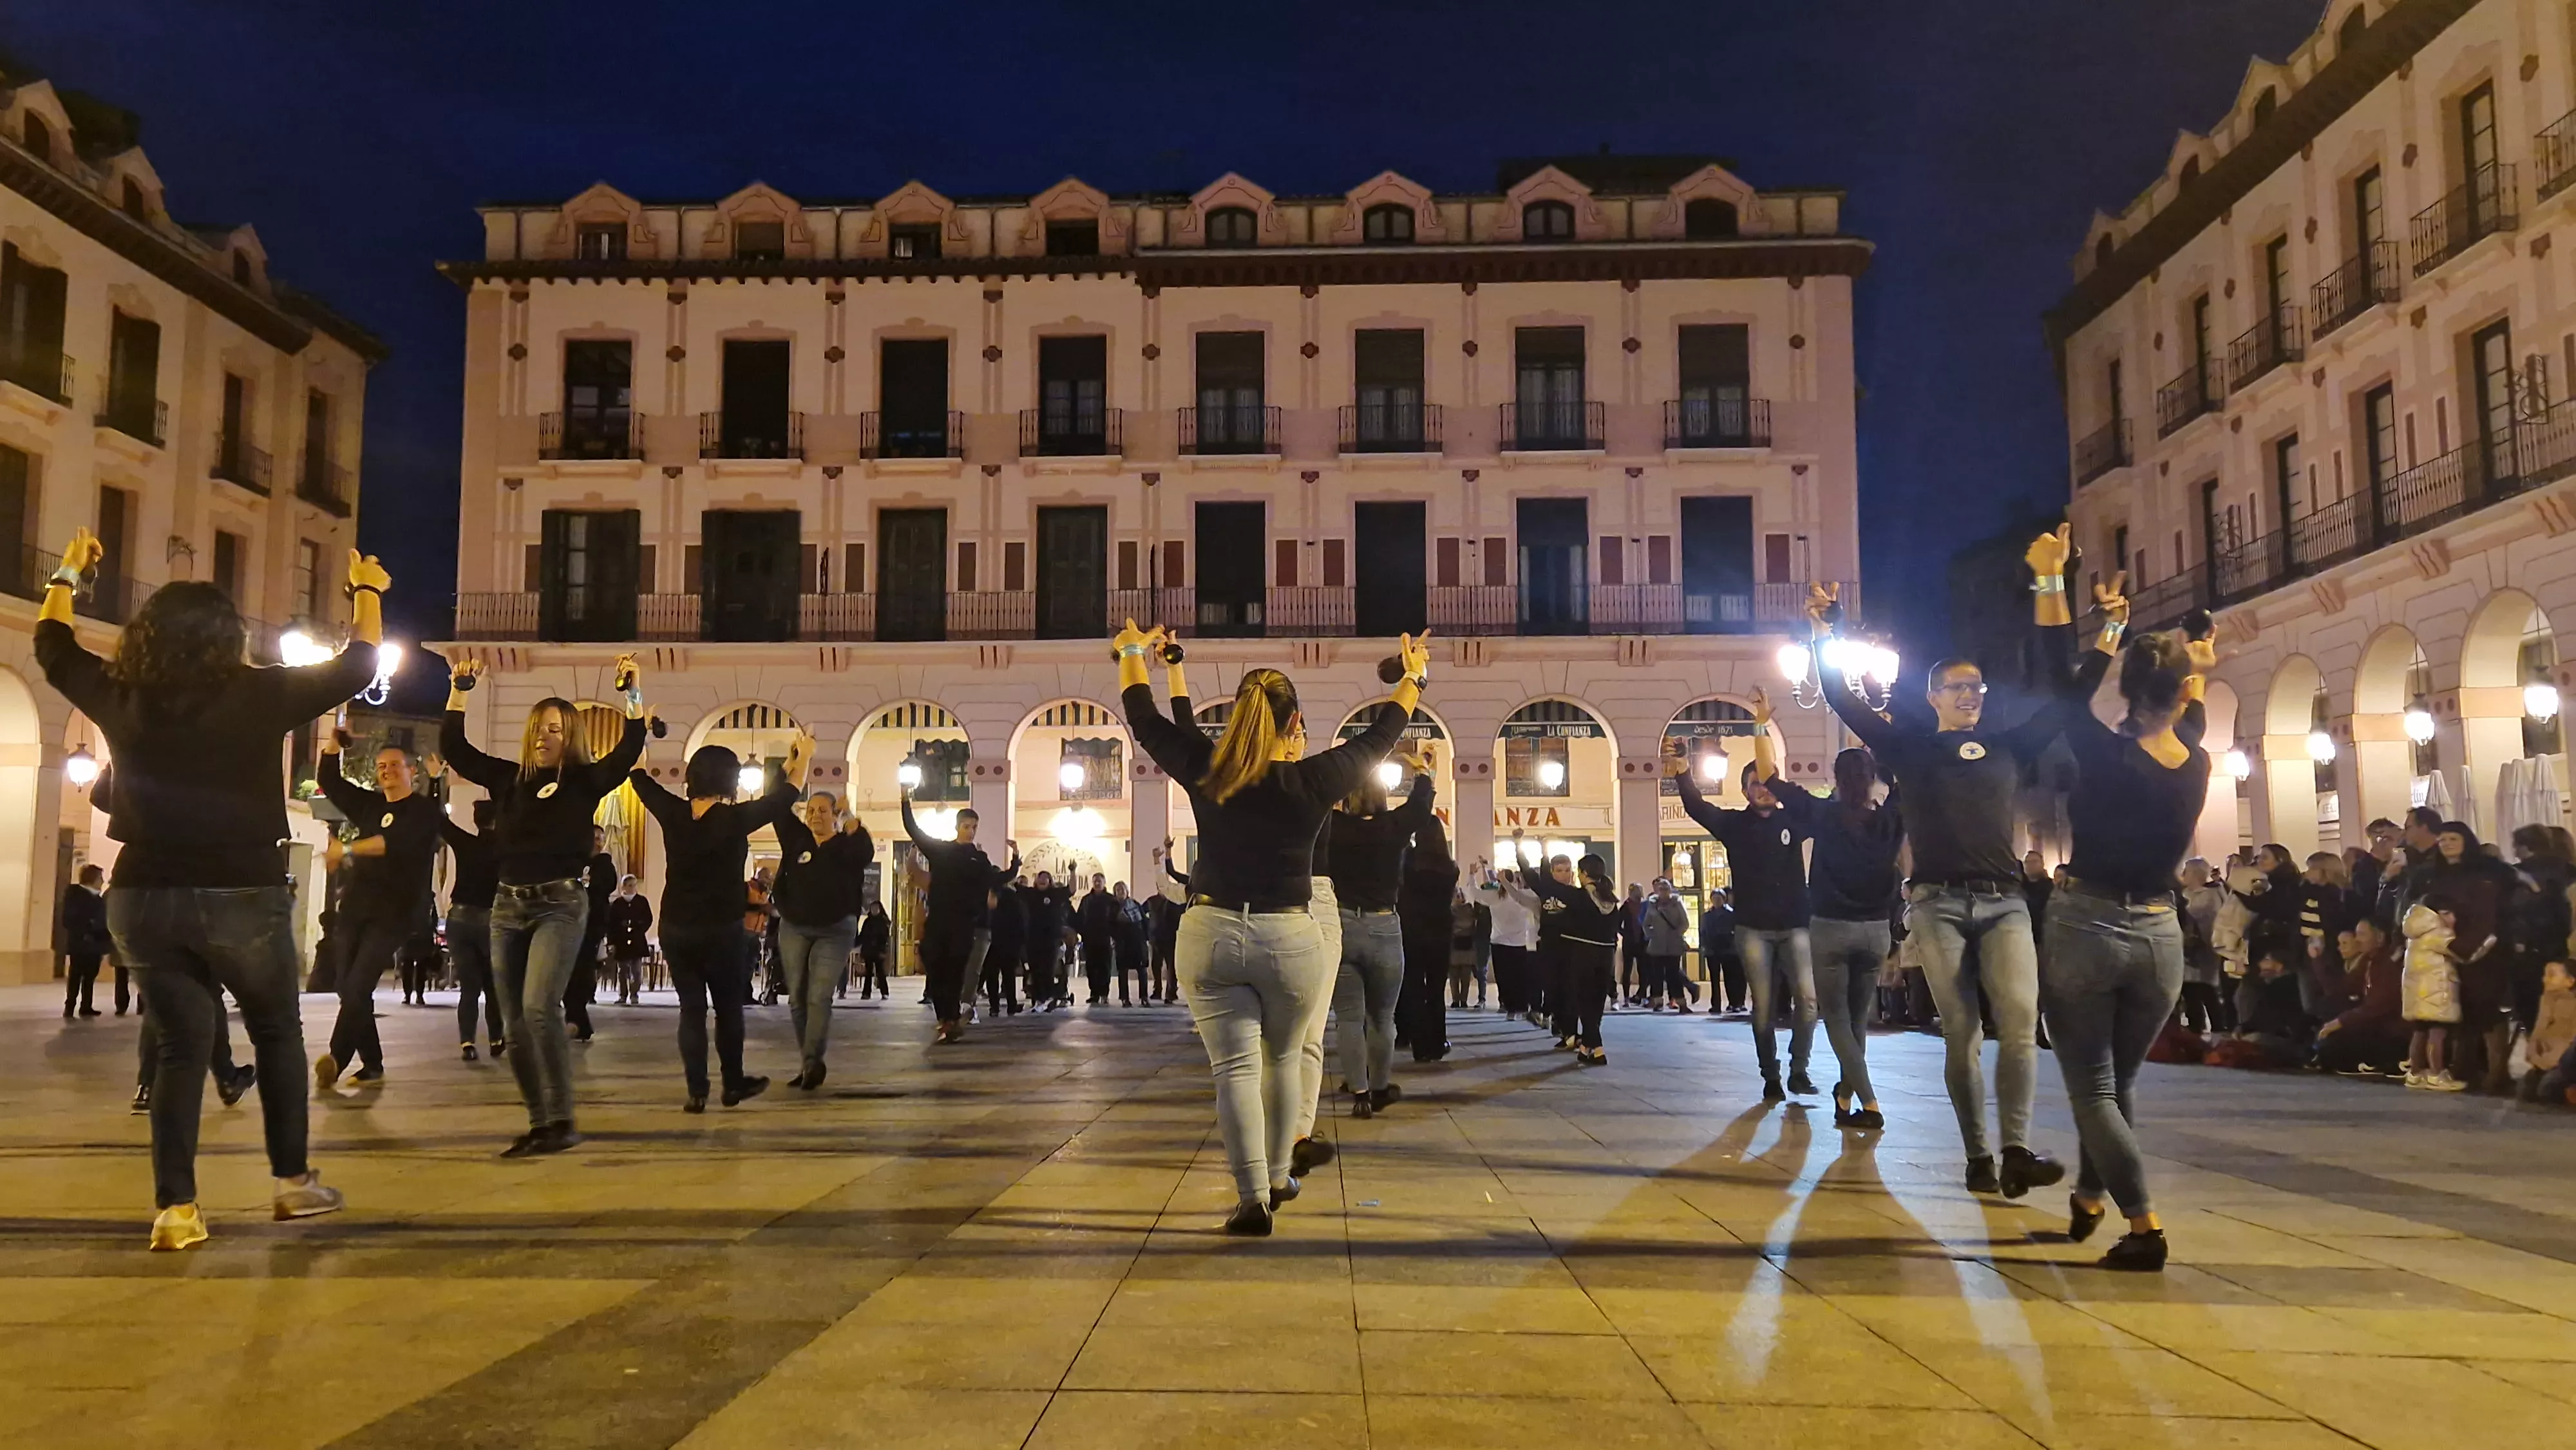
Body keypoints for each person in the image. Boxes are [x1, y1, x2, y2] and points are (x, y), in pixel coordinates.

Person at [39, 526, 379, 1248]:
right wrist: (368, 592)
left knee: (178, 1050)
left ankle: (177, 1210)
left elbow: (53, 648)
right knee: (277, 1030)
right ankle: (292, 1184)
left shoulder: (122, 694)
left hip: (142, 895)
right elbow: (360, 665)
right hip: (240, 888)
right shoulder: (261, 692)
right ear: (226, 636)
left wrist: (67, 575)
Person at [1121, 617, 1424, 1234]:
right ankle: (1283, 1172)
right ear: (1293, 726)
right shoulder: (1311, 780)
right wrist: (1412, 677)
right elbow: (1381, 737)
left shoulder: (1209, 769)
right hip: (1290, 936)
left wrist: (1132, 653)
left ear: (1237, 719)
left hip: (1210, 931)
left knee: (1233, 1070)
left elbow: (1144, 718)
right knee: (1286, 1060)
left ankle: (1253, 1196)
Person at [1808, 529, 2083, 1198]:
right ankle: (1976, 1154)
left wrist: (2051, 586)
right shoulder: (1908, 746)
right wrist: (1826, 633)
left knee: (2019, 1020)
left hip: (2005, 900)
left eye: (1978, 686)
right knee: (1960, 1030)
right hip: (1936, 901)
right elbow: (1845, 701)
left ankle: (2014, 1148)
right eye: (1959, 687)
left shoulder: (2009, 745)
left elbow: (2062, 691)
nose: (1972, 695)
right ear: (1932, 695)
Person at [440, 654, 649, 1156]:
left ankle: (563, 1119)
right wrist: (460, 689)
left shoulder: (585, 780)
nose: (543, 735)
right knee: (512, 1023)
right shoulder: (508, 778)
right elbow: (455, 749)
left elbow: (628, 750)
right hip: (507, 907)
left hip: (560, 903)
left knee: (538, 1008)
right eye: (538, 727)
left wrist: (633, 696)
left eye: (554, 728)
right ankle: (542, 1123)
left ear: (569, 735)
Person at [1750, 688, 1903, 1129]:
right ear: (1872, 778)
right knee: (1857, 1020)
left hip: (1831, 927)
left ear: (1836, 778)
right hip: (1876, 931)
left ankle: (1869, 1101)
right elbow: (1906, 778)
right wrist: (1886, 733)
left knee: (1837, 1019)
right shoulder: (1891, 818)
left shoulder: (1822, 814)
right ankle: (1844, 1094)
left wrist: (1762, 723)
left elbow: (1768, 775)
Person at [631, 738, 808, 1109]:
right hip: (722, 927)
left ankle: (697, 1092)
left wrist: (640, 729)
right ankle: (732, 1083)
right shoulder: (735, 818)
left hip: (676, 926)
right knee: (728, 1008)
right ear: (730, 779)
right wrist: (801, 757)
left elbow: (639, 778)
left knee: (691, 1008)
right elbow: (786, 795)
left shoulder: (673, 812)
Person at [1670, 726, 1817, 1103]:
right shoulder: (1734, 824)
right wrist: (1682, 769)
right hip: (1753, 927)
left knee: (1809, 1000)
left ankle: (1799, 1068)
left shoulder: (1793, 822)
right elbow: (1696, 807)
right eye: (1754, 784)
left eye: (1768, 782)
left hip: (1796, 922)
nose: (1763, 789)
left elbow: (1825, 810)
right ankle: (1771, 1075)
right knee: (1763, 1006)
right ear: (1744, 791)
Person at [313, 736, 443, 1089]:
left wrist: (347, 849)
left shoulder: (422, 810)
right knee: (346, 986)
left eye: (395, 765)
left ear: (411, 772)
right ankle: (372, 1063)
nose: (387, 771)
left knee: (357, 986)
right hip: (356, 907)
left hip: (393, 912)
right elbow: (332, 784)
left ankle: (337, 1058)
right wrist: (332, 749)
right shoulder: (370, 806)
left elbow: (393, 843)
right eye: (382, 767)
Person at [1323, 743, 1435, 1115]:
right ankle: (1381, 1085)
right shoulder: (1393, 827)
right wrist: (1421, 771)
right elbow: (1421, 808)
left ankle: (1359, 1093)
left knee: (1349, 1017)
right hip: (1384, 925)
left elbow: (1315, 802)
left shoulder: (1334, 827)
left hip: (1342, 925)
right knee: (1382, 1017)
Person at [773, 788, 873, 1089]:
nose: (816, 816)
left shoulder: (847, 845)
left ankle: (813, 1062)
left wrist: (851, 815)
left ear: (835, 815)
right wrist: (793, 765)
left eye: (824, 811)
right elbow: (777, 806)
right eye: (811, 811)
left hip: (835, 929)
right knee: (798, 998)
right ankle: (809, 1064)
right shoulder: (797, 840)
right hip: (795, 927)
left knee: (819, 995)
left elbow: (865, 850)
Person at [900, 791, 1018, 1042]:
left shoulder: (979, 859)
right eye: (966, 827)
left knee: (954, 971)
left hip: (964, 924)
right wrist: (904, 798)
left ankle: (949, 1020)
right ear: (957, 827)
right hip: (938, 921)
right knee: (934, 967)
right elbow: (913, 828)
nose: (971, 832)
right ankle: (946, 1018)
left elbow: (998, 878)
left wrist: (1016, 863)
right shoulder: (941, 850)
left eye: (974, 827)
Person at [2426, 822, 2515, 1091]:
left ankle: (2497, 1072)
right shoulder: (2437, 874)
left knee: (2488, 1011)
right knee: (2460, 1011)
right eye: (2441, 840)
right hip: (2449, 950)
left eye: (2452, 838)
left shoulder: (2487, 872)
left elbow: (2491, 913)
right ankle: (2465, 1068)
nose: (2446, 844)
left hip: (2487, 952)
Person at [1511, 852, 1624, 1064]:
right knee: (1596, 1003)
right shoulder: (1611, 899)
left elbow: (1541, 883)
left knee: (1584, 1002)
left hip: (1583, 955)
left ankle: (1597, 1047)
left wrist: (1528, 855)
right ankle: (1589, 1049)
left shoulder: (1577, 896)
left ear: (1582, 873)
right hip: (1607, 956)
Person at [442, 798, 505, 1060]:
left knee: (469, 988)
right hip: (491, 919)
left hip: (459, 919)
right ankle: (496, 1039)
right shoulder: (506, 848)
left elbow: (441, 824)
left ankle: (467, 1042)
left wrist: (436, 781)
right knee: (493, 986)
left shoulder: (466, 843)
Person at [1399, 807, 1461, 1063]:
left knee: (1413, 987)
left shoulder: (1409, 864)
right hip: (1440, 932)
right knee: (1436, 989)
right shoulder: (1450, 868)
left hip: (1411, 930)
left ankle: (1419, 1044)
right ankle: (1437, 1042)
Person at [2314, 918, 2408, 1077]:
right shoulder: (2368, 961)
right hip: (2373, 1027)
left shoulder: (2390, 965)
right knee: (2325, 1023)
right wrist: (2318, 959)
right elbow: (2340, 989)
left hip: (2392, 1033)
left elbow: (2380, 1006)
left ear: (2379, 938)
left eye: (2362, 935)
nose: (2357, 940)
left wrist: (2341, 1022)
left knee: (2332, 1048)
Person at [2401, 894, 2465, 1091]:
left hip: (2417, 993)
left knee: (2420, 1032)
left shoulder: (2416, 932)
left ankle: (2415, 1074)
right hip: (2436, 992)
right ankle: (2436, 1074)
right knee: (2437, 1033)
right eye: (2447, 913)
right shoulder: (2438, 932)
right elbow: (2462, 952)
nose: (2452, 918)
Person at [563, 827, 615, 1039]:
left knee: (582, 971)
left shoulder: (605, 865)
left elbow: (606, 887)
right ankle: (577, 1021)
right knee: (569, 971)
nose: (598, 843)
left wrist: (588, 885)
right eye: (594, 838)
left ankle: (576, 1019)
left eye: (601, 839)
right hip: (569, 922)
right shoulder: (575, 861)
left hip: (591, 926)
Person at [2177, 860, 2233, 1034]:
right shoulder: (2186, 893)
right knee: (2192, 989)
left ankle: (2216, 1027)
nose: (2183, 874)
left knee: (2205, 990)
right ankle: (2196, 1025)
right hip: (2189, 952)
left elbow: (2199, 915)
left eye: (2186, 871)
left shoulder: (2211, 895)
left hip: (2205, 949)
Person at [1478, 862, 1538, 1019]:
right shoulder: (1525, 897)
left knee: (1504, 978)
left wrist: (1473, 875)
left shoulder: (1495, 896)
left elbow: (1476, 892)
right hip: (1520, 943)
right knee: (1520, 977)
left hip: (1499, 943)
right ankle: (1522, 1007)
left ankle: (1509, 1007)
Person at [61, 863, 110, 1019]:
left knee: (90, 976)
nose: (102, 881)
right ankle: (70, 1006)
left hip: (96, 944)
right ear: (92, 879)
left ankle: (86, 1005)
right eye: (100, 878)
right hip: (81, 943)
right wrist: (89, 927)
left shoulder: (99, 899)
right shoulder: (75, 896)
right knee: (76, 975)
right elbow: (69, 919)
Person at [2525, 959, 2576, 1102]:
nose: (2545, 979)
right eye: (2545, 975)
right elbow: (2538, 1031)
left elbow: (2571, 1043)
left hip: (2564, 1063)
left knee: (2547, 1090)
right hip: (2546, 1060)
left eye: (2552, 975)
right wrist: (2534, 1055)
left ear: (2570, 981)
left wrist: (2551, 1062)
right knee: (2528, 1090)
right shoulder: (2546, 1000)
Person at [1023, 869, 1073, 1010]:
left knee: (1048, 970)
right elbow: (1015, 885)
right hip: (1033, 939)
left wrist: (1073, 871)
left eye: (1046, 877)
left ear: (1050, 881)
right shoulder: (1031, 894)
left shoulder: (1055, 895)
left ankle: (1048, 998)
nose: (1043, 880)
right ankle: (1038, 999)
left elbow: (1071, 890)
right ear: (1036, 881)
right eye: (1040, 877)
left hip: (1051, 940)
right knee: (1035, 970)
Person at [1638, 878, 1690, 1012]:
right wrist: (1652, 934)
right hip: (1657, 945)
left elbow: (1685, 922)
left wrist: (1676, 934)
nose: (1663, 892)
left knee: (1674, 975)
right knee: (1657, 975)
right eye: (1661, 889)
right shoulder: (1652, 904)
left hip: (1673, 945)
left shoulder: (1677, 903)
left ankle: (1681, 1003)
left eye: (1666, 889)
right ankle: (1658, 1002)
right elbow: (1646, 923)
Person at [604, 874, 653, 1006]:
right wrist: (611, 942)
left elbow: (648, 919)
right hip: (621, 941)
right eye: (630, 885)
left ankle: (634, 993)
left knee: (636, 971)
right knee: (623, 971)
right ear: (623, 886)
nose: (632, 888)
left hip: (637, 940)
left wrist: (639, 927)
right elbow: (611, 924)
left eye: (634, 885)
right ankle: (622, 995)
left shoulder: (642, 901)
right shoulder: (617, 904)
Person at [985, 874, 1027, 1014]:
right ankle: (1011, 1005)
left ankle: (994, 1007)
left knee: (992, 975)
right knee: (1008, 975)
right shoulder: (1013, 896)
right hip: (1009, 940)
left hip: (992, 939)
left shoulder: (988, 893)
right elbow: (1020, 920)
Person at [1076, 872, 1118, 1005]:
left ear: (1104, 882)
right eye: (1095, 881)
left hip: (1105, 939)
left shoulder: (1111, 900)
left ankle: (1104, 994)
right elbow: (1080, 918)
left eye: (1100, 881)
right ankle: (1094, 993)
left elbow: (1116, 919)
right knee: (1091, 967)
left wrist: (1114, 936)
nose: (1097, 883)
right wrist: (1082, 934)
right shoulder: (1086, 899)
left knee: (1105, 967)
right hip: (1090, 939)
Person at [1700, 889, 1743, 1015]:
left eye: (1719, 899)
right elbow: (1703, 932)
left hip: (1728, 949)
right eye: (1714, 899)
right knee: (1714, 979)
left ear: (1724, 900)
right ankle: (1716, 1004)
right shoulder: (1707, 916)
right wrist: (1704, 946)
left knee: (1730, 978)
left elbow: (1737, 931)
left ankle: (1734, 1003)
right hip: (1712, 950)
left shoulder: (1731, 914)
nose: (1716, 901)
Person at [1111, 881, 1151, 1005]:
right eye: (1118, 890)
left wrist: (1146, 938)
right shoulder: (1113, 908)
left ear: (1127, 891)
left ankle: (1144, 997)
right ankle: (1125, 999)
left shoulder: (1135, 904)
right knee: (1123, 971)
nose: (1121, 891)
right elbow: (1110, 925)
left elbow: (1145, 921)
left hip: (1138, 942)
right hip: (1123, 944)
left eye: (1123, 889)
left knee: (1142, 971)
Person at [856, 901, 891, 1000]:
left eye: (876, 908)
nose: (874, 910)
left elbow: (885, 938)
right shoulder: (867, 922)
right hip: (868, 950)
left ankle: (885, 992)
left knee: (880, 972)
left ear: (880, 910)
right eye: (872, 908)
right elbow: (863, 936)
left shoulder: (883, 922)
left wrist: (883, 950)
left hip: (878, 950)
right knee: (868, 972)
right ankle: (866, 993)